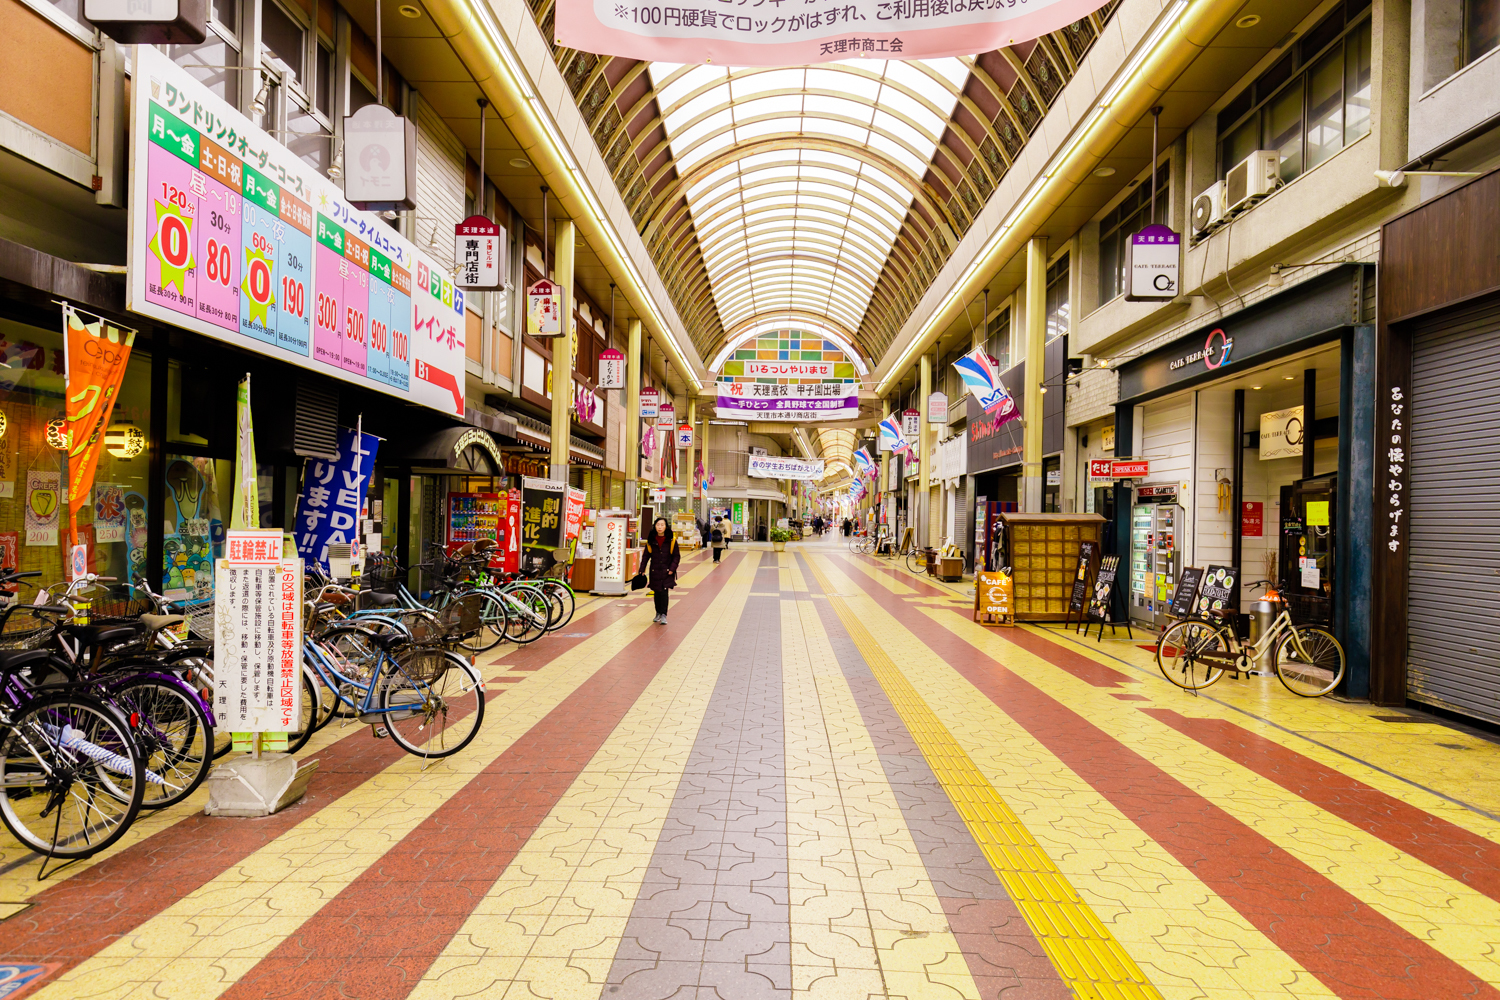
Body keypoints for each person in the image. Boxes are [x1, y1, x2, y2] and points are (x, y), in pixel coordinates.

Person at [644, 517, 681, 624]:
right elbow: (646, 556)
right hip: (655, 570)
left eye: (662, 525)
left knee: (664, 592)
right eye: (658, 525)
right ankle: (658, 613)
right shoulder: (651, 540)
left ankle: (664, 614)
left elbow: (676, 557)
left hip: (667, 570)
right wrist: (642, 569)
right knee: (656, 592)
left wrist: (672, 569)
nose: (660, 527)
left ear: (666, 526)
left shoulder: (671, 540)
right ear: (654, 526)